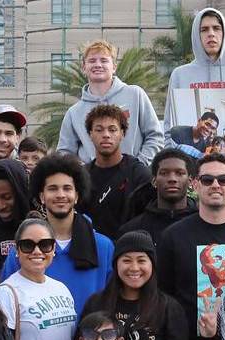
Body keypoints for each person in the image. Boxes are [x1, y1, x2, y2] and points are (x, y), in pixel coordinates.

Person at [1, 155, 117, 308]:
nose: (60, 195)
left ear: (77, 195)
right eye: (52, 189)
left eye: (67, 188)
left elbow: (114, 301)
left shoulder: (103, 247)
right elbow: (6, 302)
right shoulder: (24, 248)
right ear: (42, 196)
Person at [61, 39, 167, 163]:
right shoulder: (74, 113)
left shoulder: (135, 95)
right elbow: (65, 152)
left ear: (114, 67)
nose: (98, 65)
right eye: (92, 61)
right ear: (84, 68)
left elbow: (155, 136)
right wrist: (84, 171)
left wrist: (138, 166)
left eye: (104, 60)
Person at [83, 105, 151, 240]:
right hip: (92, 248)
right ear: (90, 134)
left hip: (129, 249)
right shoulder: (81, 176)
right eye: (99, 130)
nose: (106, 135)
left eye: (112, 129)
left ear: (122, 133)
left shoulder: (139, 174)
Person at [119, 148, 197, 242]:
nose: (172, 179)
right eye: (164, 173)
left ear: (190, 181)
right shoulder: (133, 230)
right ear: (154, 181)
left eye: (179, 173)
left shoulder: (205, 225)